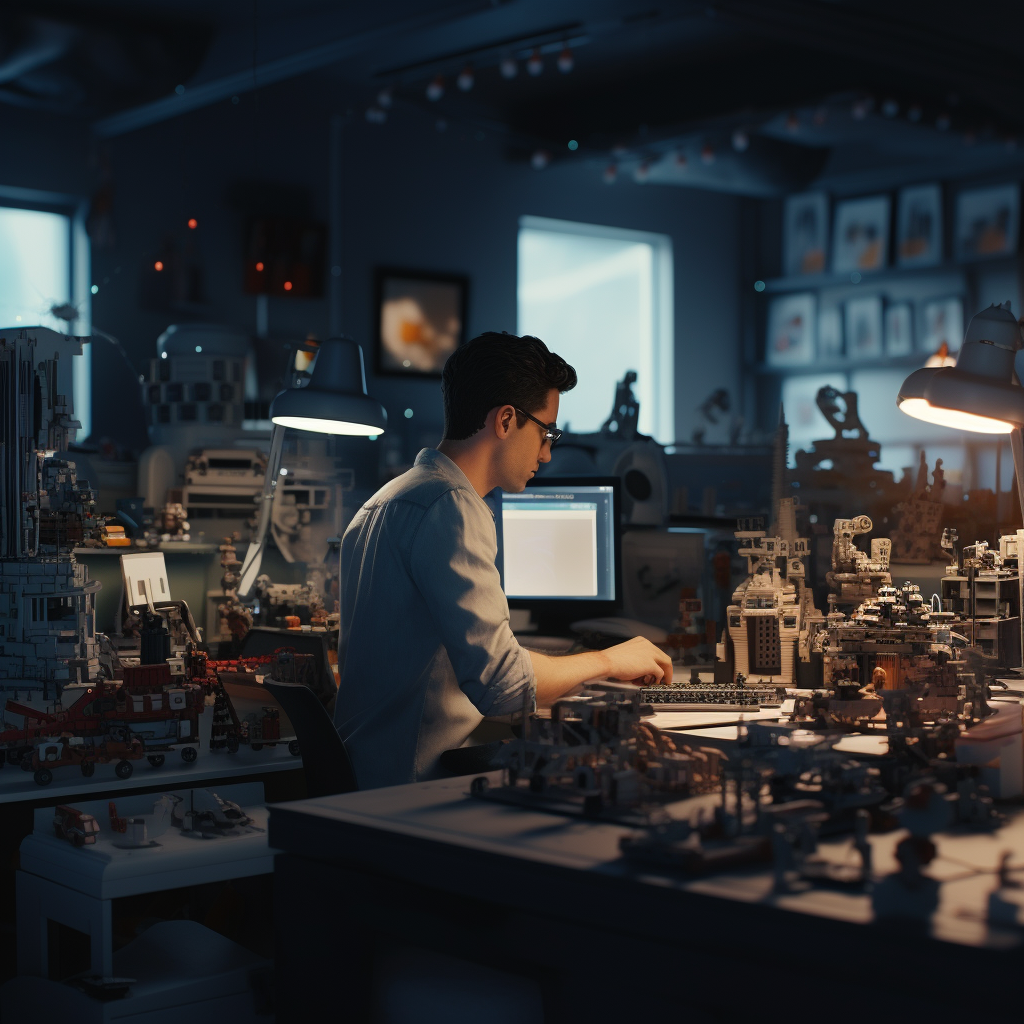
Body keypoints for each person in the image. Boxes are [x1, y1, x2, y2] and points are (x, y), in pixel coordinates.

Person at [334, 331, 673, 789]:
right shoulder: (452, 507)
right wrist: (609, 660)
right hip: (411, 793)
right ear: (507, 420)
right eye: (546, 432)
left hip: (364, 780)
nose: (548, 453)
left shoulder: (385, 502)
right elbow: (505, 689)